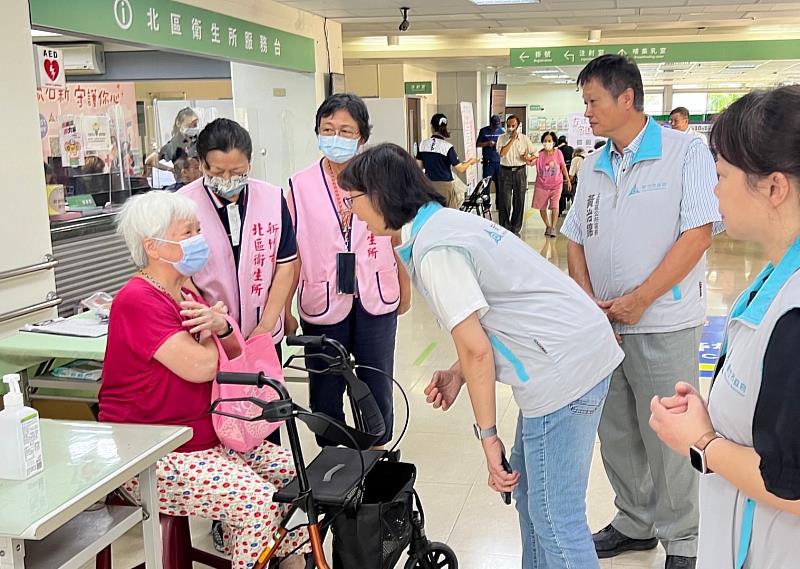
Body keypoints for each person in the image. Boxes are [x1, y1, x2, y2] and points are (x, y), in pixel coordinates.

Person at [339, 142, 624, 569]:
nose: (351, 210)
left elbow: (477, 351)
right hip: (567, 355)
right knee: (534, 502)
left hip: (563, 370)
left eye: (353, 199)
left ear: (379, 194)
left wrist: (488, 438)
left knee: (554, 515)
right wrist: (456, 372)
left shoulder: (437, 247)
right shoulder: (444, 225)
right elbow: (487, 319)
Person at [562, 54, 722, 569]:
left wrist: (643, 297)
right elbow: (574, 237)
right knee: (618, 433)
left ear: (626, 96)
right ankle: (634, 522)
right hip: (605, 328)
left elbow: (697, 234)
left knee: (672, 437)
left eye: (593, 101)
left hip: (663, 323)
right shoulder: (593, 163)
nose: (587, 112)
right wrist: (587, 299)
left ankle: (683, 539)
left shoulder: (684, 154)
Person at [99, 191, 307, 569]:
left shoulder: (185, 290)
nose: (199, 238)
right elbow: (202, 366)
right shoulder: (137, 300)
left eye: (198, 229)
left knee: (295, 474)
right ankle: (253, 549)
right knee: (258, 501)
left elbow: (233, 350)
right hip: (154, 453)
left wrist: (219, 326)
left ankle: (279, 559)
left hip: (208, 437)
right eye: (188, 231)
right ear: (154, 247)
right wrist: (214, 330)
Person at [650, 85, 800, 569]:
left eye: (722, 175)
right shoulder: (775, 274)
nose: (714, 190)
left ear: (774, 187)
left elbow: (793, 486)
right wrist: (712, 416)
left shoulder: (795, 314)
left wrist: (704, 442)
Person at [286, 93, 411, 448]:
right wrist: (283, 308)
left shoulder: (382, 178)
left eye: (345, 130)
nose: (335, 137)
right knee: (325, 385)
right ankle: (335, 456)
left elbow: (397, 236)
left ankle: (375, 452)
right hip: (322, 296)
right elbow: (291, 251)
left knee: (376, 380)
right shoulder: (300, 185)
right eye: (328, 129)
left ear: (362, 136)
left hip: (376, 293)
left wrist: (406, 287)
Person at [416, 113, 478, 208]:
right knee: (446, 214)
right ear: (445, 128)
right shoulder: (447, 147)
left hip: (428, 185)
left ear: (432, 127)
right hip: (444, 187)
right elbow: (460, 168)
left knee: (431, 213)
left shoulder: (423, 144)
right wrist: (470, 162)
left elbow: (418, 166)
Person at [496, 115, 537, 234]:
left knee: (519, 200)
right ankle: (504, 227)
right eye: (508, 125)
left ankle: (515, 228)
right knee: (504, 201)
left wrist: (528, 158)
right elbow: (502, 153)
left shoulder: (524, 139)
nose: (510, 128)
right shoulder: (502, 138)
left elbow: (535, 153)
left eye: (513, 126)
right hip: (505, 171)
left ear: (518, 126)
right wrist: (512, 140)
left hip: (520, 171)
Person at [533, 131, 571, 237]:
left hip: (556, 184)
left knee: (555, 206)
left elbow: (563, 166)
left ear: (554, 142)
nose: (547, 143)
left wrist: (567, 180)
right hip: (542, 185)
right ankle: (548, 226)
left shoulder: (558, 153)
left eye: (549, 141)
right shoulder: (539, 154)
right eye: (545, 141)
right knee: (542, 207)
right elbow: (531, 162)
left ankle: (553, 227)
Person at [146, 107, 201, 172]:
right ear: (179, 124)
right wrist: (170, 169)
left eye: (194, 125)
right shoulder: (172, 145)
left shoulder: (199, 141)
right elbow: (149, 161)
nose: (192, 128)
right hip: (183, 179)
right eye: (189, 126)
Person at [476, 114, 505, 207]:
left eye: (498, 125)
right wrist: (487, 143)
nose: (496, 127)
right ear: (491, 123)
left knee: (500, 185)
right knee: (486, 185)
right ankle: (486, 205)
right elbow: (478, 144)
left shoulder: (502, 131)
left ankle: (499, 204)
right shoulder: (484, 131)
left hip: (499, 162)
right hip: (488, 162)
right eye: (494, 125)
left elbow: (505, 145)